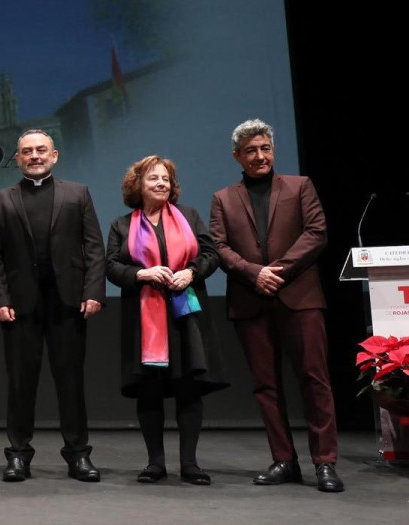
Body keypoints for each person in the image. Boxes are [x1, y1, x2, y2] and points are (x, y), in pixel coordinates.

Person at [209, 118, 343, 492]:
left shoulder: (300, 186)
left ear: (273, 150)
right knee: (265, 386)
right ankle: (284, 460)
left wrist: (276, 272)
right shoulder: (223, 198)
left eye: (265, 148)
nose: (260, 156)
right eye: (251, 150)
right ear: (237, 156)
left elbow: (316, 233)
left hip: (300, 298)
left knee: (314, 379)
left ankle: (325, 462)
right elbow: (217, 246)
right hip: (250, 300)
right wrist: (254, 273)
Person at [0, 129, 105, 482]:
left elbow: (93, 246)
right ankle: (18, 455)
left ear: (55, 155)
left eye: (41, 150)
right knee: (20, 384)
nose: (34, 156)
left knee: (71, 382)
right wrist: (0, 298)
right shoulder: (0, 200)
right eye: (27, 151)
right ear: (17, 159)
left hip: (68, 303)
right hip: (19, 307)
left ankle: (78, 455)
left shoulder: (78, 193)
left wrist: (94, 291)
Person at [105, 155, 228, 485]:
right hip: (144, 321)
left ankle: (190, 464)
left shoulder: (189, 216)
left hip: (185, 315)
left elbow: (211, 254)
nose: (161, 183)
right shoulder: (121, 225)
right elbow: (111, 266)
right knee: (149, 389)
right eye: (153, 178)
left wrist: (190, 273)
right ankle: (155, 463)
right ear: (138, 185)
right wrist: (141, 274)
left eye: (166, 179)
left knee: (188, 387)